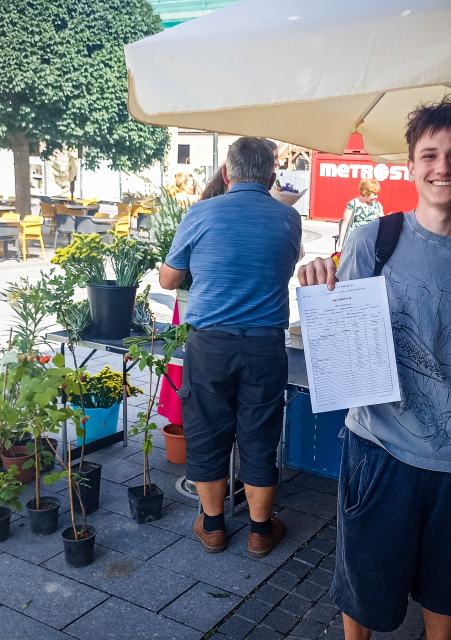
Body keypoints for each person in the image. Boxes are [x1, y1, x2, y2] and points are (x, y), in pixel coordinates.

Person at [298, 97, 451, 640]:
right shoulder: (373, 240)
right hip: (377, 448)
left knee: (447, 587)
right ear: (411, 165)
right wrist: (318, 286)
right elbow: (339, 336)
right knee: (365, 583)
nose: (443, 167)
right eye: (430, 154)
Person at [159, 137, 302, 558]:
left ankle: (214, 527)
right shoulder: (288, 218)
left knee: (206, 430)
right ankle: (259, 531)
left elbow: (168, 280)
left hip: (210, 344)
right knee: (260, 432)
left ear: (226, 173)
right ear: (271, 177)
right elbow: (284, 264)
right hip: (265, 345)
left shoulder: (200, 213)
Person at [337, 178, 383, 250]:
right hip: (355, 242)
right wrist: (340, 246)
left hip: (371, 243)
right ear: (366, 192)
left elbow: (381, 225)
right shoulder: (353, 204)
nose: (376, 197)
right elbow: (345, 224)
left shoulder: (377, 206)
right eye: (374, 194)